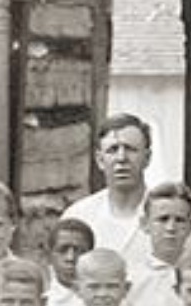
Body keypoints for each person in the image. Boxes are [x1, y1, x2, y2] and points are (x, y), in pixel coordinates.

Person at [61, 114, 159, 268]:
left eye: (131, 149)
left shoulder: (172, 218)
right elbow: (63, 282)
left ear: (147, 158)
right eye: (112, 150)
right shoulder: (79, 216)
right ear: (100, 160)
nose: (121, 158)